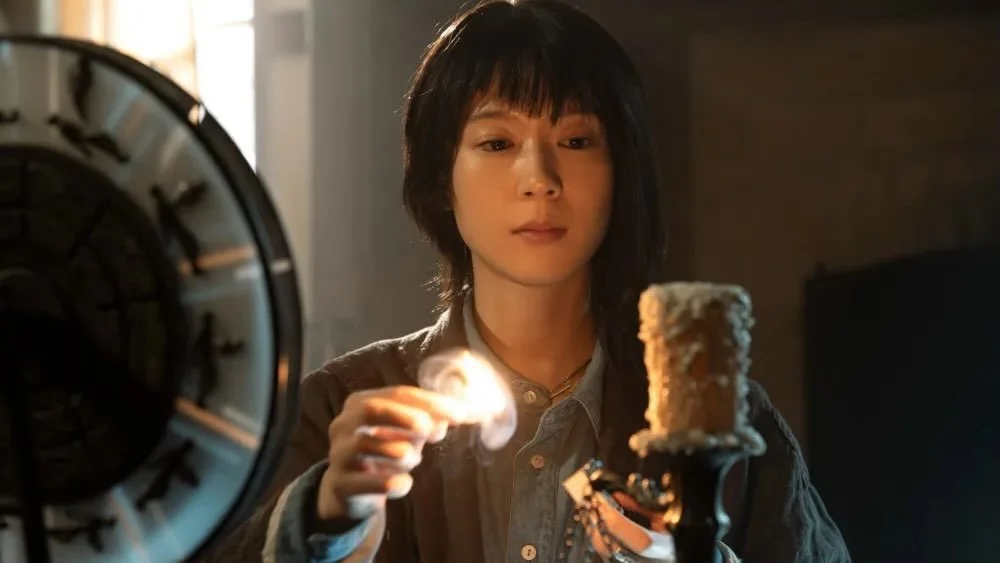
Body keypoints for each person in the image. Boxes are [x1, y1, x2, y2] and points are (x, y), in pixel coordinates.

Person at [200, 1, 849, 561]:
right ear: (441, 179)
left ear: (620, 172)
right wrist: (324, 522)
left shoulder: (721, 429)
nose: (539, 178)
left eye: (576, 140)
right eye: (496, 143)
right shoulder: (339, 410)